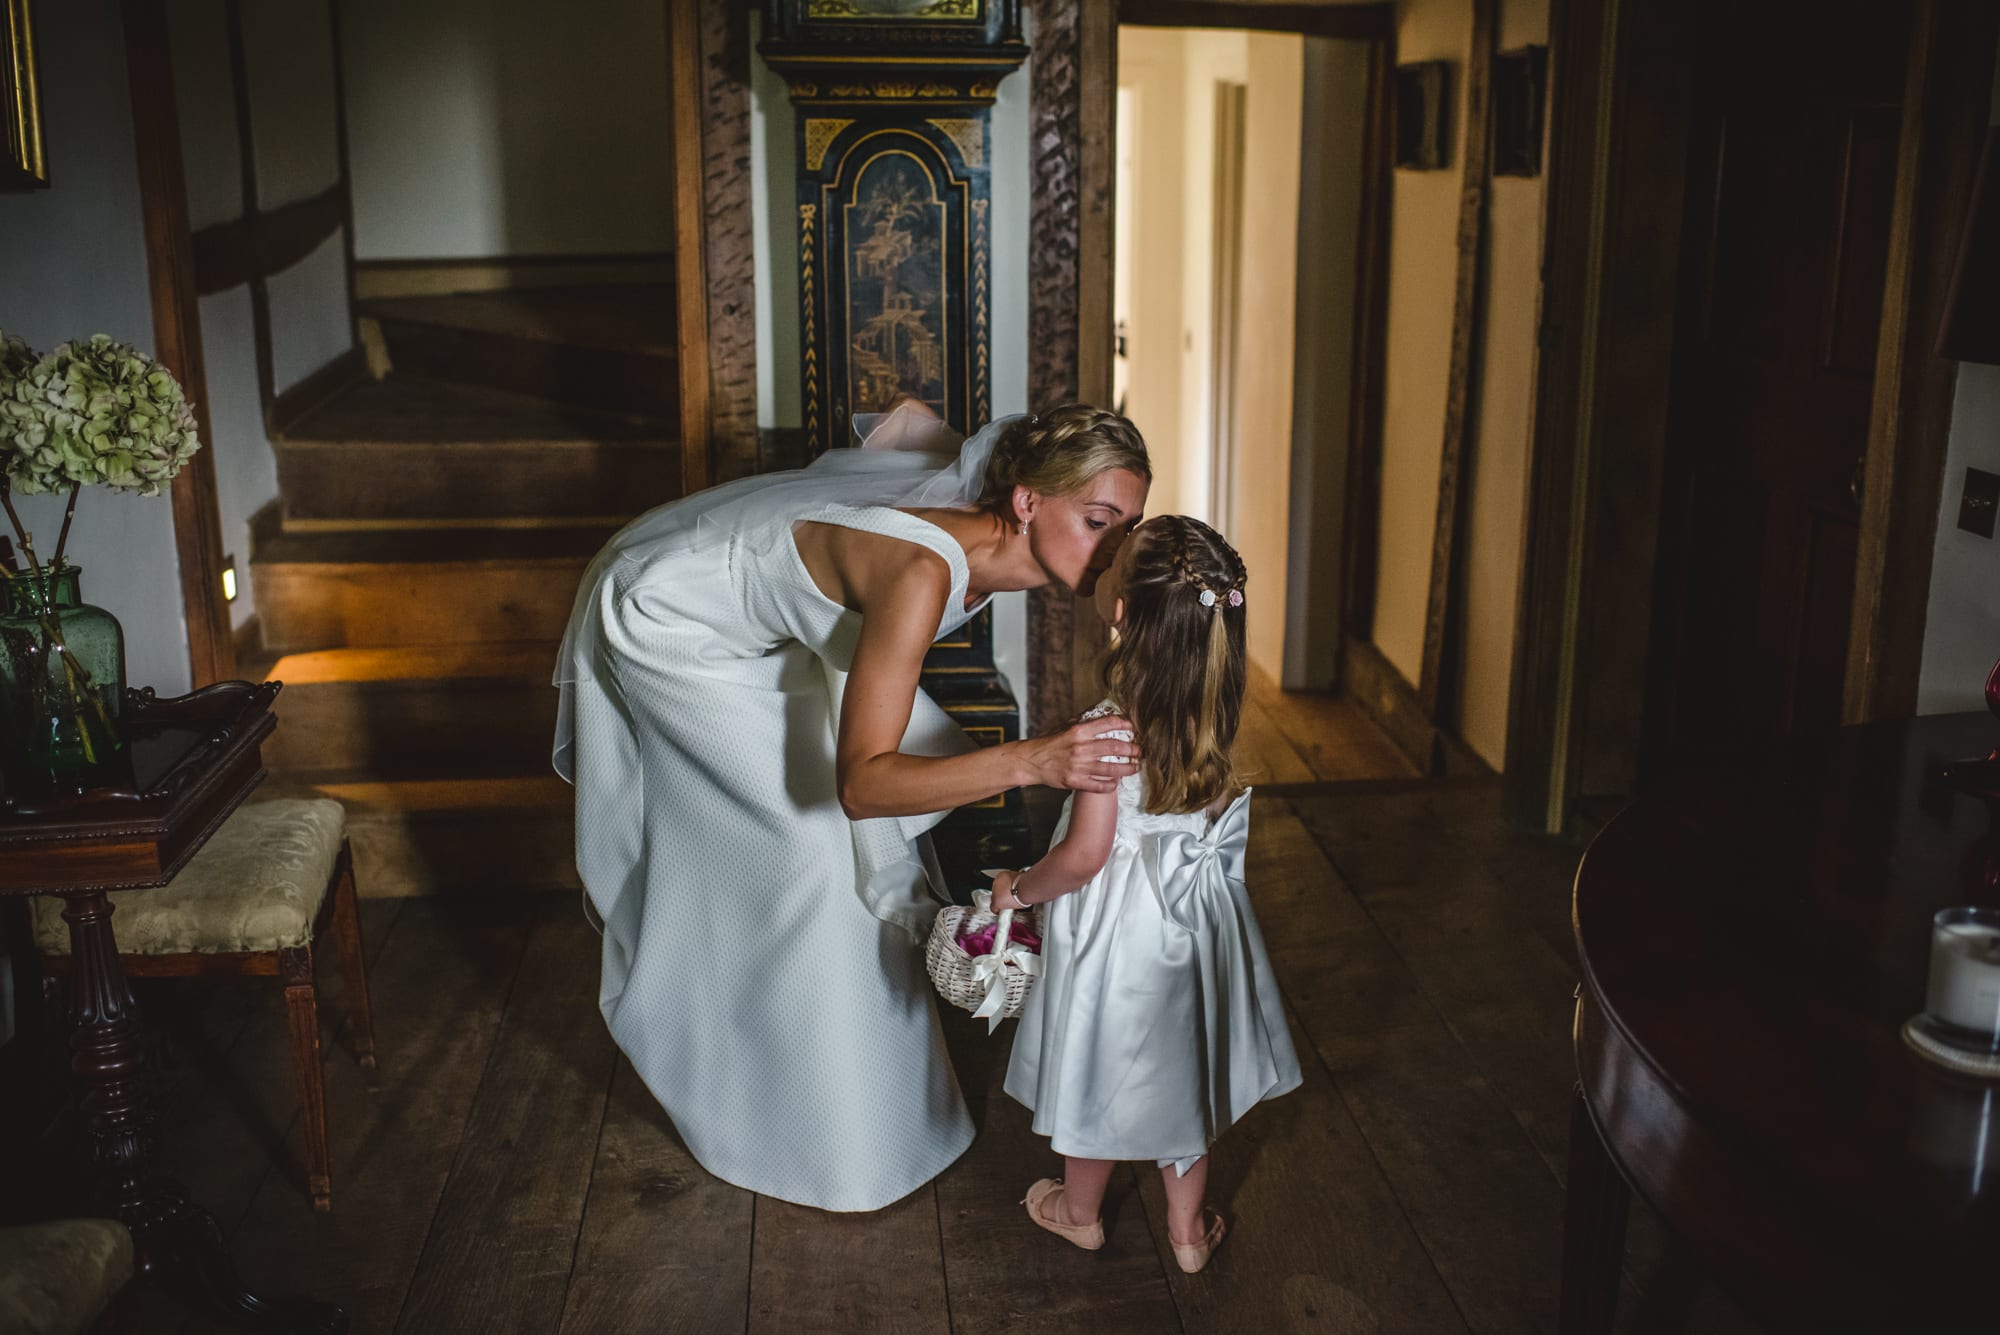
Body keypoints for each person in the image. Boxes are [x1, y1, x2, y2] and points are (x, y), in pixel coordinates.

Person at [552, 401, 1151, 1212]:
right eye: (1097, 519)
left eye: (1127, 527)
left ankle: (877, 1113)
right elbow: (863, 787)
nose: (1112, 548)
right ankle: (782, 1114)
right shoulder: (922, 573)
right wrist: (1036, 759)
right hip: (666, 616)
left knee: (836, 843)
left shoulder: (980, 514)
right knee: (811, 857)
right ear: (1026, 502)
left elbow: (907, 423)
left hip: (748, 622)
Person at [989, 515, 1301, 1272]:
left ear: (1123, 611)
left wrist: (1018, 889)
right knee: (1178, 1072)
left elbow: (1088, 853)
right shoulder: (1208, 712)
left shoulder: (1108, 728)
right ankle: (1189, 1233)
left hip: (1121, 935)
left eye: (1112, 567)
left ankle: (1079, 1211)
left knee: (1104, 1070)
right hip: (1193, 923)